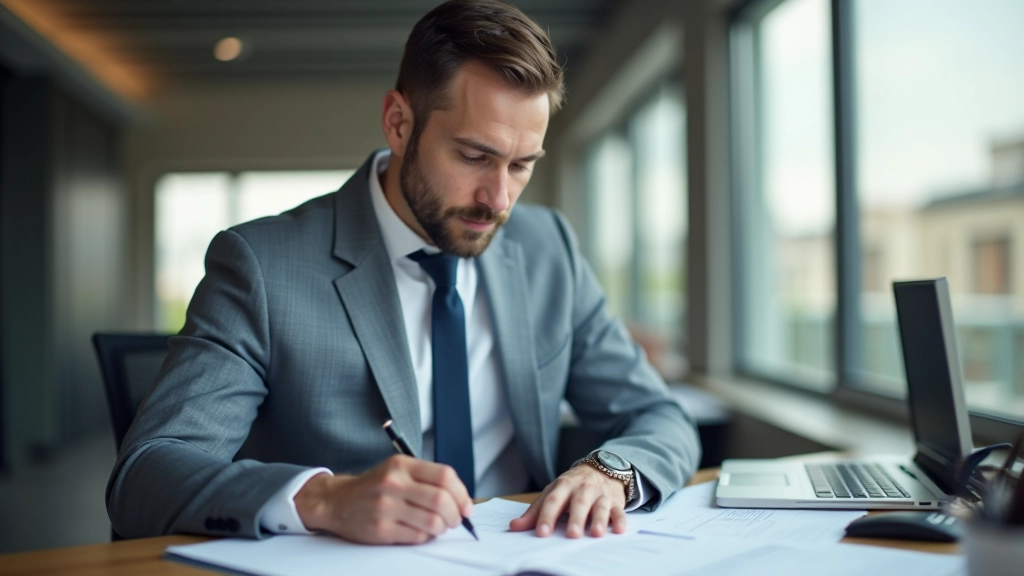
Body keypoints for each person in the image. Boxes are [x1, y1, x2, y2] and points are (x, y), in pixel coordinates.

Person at [107, 0, 701, 545]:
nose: (498, 199)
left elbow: (659, 417)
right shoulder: (261, 266)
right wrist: (322, 496)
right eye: (474, 156)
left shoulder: (550, 250)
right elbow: (147, 473)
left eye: (522, 165)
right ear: (398, 122)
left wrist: (611, 471)